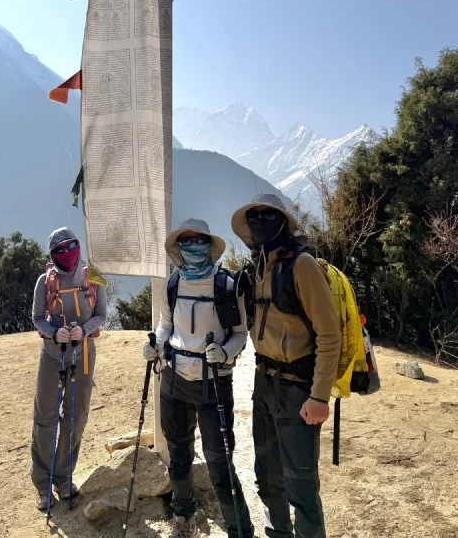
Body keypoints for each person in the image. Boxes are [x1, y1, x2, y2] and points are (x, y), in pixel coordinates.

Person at [231, 194, 341, 538]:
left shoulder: (302, 265)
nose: (261, 221)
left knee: (301, 485)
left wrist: (320, 396)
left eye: (268, 215)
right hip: (264, 381)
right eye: (255, 216)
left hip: (298, 388)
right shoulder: (257, 266)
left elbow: (329, 334)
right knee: (267, 477)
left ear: (284, 222)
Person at [144, 219, 255, 538]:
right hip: (174, 381)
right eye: (186, 240)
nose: (192, 245)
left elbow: (239, 333)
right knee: (179, 458)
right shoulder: (172, 284)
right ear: (178, 248)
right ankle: (184, 519)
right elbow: (166, 325)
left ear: (209, 244)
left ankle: (240, 529)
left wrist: (225, 353)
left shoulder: (227, 285)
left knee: (220, 462)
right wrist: (156, 345)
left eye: (198, 239)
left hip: (214, 384)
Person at [30, 227, 106, 510]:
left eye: (71, 246)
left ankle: (63, 478)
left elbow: (101, 315)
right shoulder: (44, 282)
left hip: (84, 355)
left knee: (76, 417)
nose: (66, 252)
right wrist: (53, 333)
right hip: (53, 355)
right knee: (45, 417)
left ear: (78, 246)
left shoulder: (93, 276)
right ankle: (42, 483)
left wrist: (83, 331)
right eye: (59, 249)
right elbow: (37, 317)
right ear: (52, 254)